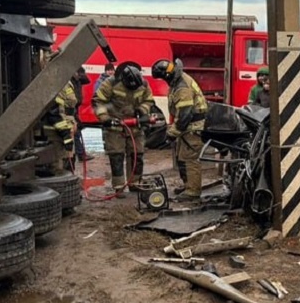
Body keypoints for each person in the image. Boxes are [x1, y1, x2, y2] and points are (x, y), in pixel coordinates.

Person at [92, 62, 154, 192]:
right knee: (117, 156)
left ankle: (135, 183)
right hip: (115, 126)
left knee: (137, 155)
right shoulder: (111, 83)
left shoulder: (143, 84)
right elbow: (98, 101)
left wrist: (142, 110)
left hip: (135, 127)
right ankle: (119, 186)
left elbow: (148, 100)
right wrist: (105, 118)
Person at [152, 58, 208, 201]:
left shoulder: (182, 87)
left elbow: (184, 115)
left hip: (193, 128)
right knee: (182, 157)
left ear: (167, 76)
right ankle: (188, 185)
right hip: (188, 127)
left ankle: (193, 191)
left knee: (189, 159)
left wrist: (172, 134)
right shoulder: (178, 80)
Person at [43, 78, 78, 174]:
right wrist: (65, 133)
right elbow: (55, 111)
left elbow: (70, 105)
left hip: (67, 129)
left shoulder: (66, 81)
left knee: (69, 163)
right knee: (59, 167)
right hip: (57, 132)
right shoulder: (56, 82)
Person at [72, 67, 93, 163]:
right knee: (76, 130)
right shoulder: (70, 79)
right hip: (71, 107)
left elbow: (87, 80)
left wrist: (79, 73)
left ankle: (80, 153)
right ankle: (80, 153)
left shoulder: (78, 79)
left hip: (75, 107)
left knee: (77, 130)